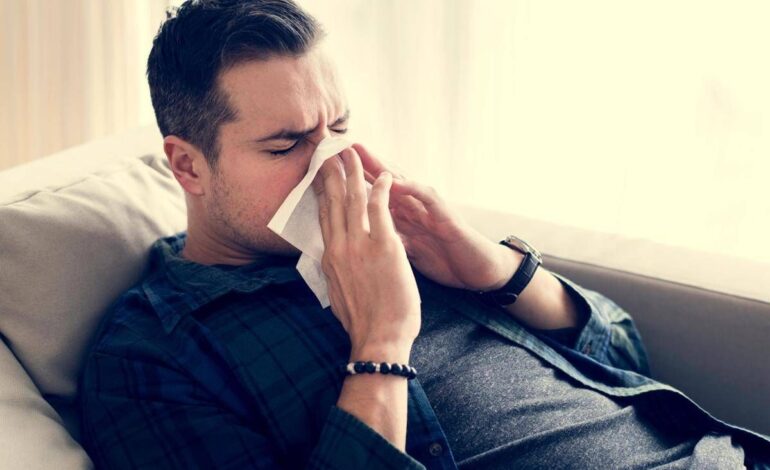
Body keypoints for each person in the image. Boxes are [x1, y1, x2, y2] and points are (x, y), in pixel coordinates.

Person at [78, 1, 770, 468]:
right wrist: (380, 343)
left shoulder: (405, 242)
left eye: (339, 128)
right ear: (187, 165)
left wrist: (496, 272)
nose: (335, 164)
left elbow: (626, 355)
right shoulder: (151, 359)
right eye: (287, 144)